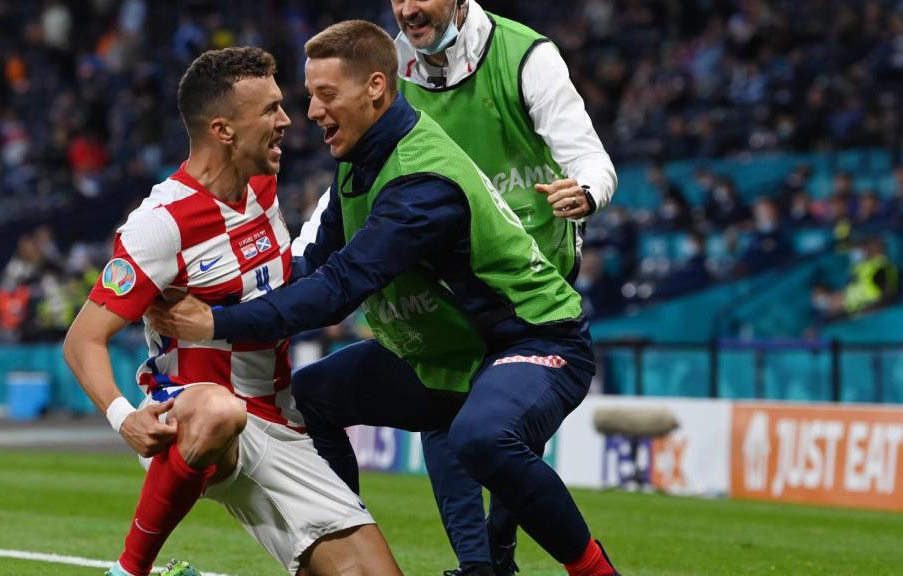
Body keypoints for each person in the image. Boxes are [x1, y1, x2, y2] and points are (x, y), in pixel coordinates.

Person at [149, 21, 619, 576]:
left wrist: (215, 322)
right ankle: (345, 551)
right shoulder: (358, 158)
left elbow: (337, 290)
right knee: (313, 396)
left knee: (481, 436)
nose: (312, 113)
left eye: (327, 95)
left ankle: (593, 572)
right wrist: (218, 285)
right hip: (449, 353)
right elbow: (313, 264)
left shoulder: (422, 180)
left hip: (538, 338)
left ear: (375, 87)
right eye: (308, 96)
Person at [292, 1, 618, 573]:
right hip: (450, 277)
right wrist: (296, 259)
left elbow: (586, 150)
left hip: (527, 282)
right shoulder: (382, 66)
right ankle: (478, 563)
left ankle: (495, 555)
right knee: (458, 421)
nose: (407, 7)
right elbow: (348, 182)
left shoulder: (526, 57)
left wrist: (587, 191)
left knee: (485, 434)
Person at [62, 47, 401, 576]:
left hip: (279, 420)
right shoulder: (161, 224)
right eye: (269, 110)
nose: (287, 121)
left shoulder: (262, 186)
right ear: (223, 130)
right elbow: (82, 339)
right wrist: (124, 418)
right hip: (194, 416)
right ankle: (130, 571)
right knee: (221, 411)